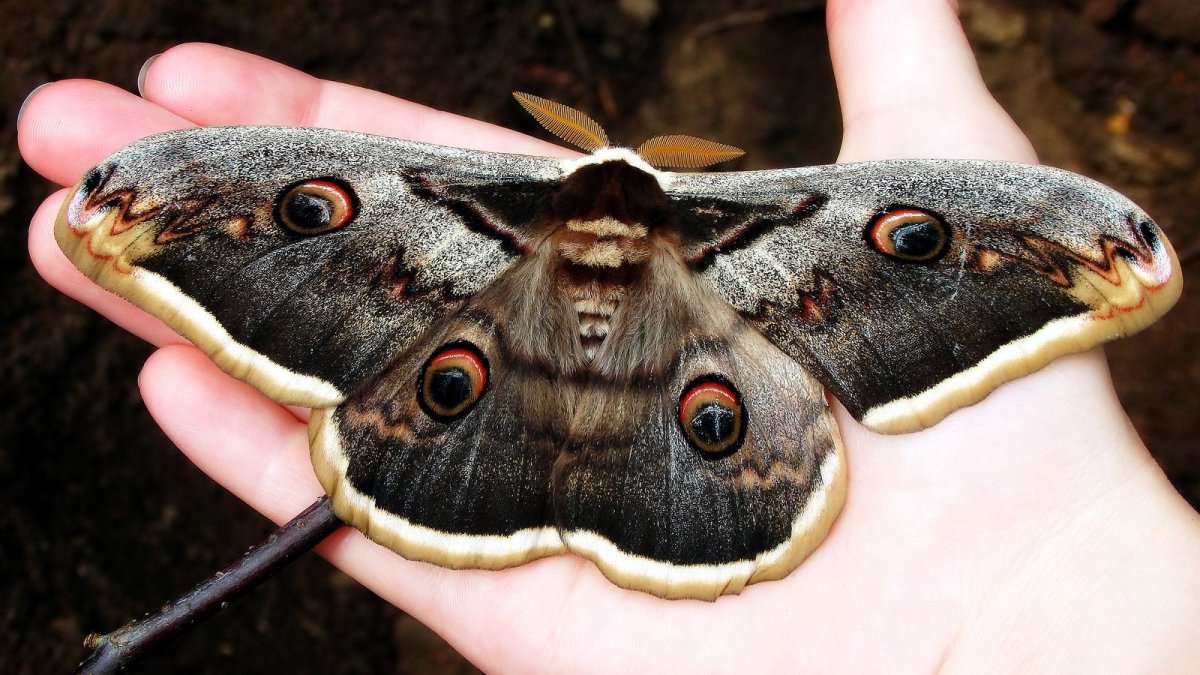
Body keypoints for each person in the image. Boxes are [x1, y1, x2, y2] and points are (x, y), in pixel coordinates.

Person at [19, 0, 1200, 670]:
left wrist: (1059, 246)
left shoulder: (445, 205)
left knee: (438, 382)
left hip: (502, 361)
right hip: (696, 366)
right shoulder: (775, 221)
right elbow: (257, 204)